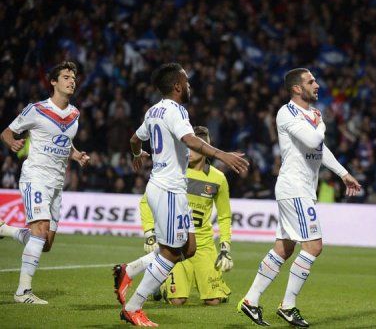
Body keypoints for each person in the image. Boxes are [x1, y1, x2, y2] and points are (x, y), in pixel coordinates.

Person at [113, 63, 248, 327]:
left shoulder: (153, 111)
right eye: (186, 81)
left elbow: (134, 139)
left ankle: (129, 271)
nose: (189, 86)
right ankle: (133, 307)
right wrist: (222, 155)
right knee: (172, 253)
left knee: (189, 247)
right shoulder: (176, 110)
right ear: (177, 86)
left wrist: (136, 154)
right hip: (169, 190)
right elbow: (190, 140)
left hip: (168, 188)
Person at [237, 68, 362, 327]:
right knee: (314, 246)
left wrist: (343, 173)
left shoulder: (311, 116)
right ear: (296, 88)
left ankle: (250, 300)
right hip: (295, 188)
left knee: (284, 247)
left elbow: (319, 146)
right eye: (311, 81)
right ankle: (288, 306)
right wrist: (320, 122)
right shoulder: (288, 112)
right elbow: (314, 137)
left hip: (300, 187)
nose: (317, 85)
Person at [0, 61, 90, 304]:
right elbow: (7, 132)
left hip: (56, 183)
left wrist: (76, 154)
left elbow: (64, 140)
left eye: (74, 77)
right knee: (39, 230)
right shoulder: (36, 109)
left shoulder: (74, 114)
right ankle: (23, 292)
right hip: (35, 176)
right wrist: (12, 143)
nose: (72, 81)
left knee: (45, 243)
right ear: (53, 82)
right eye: (66, 77)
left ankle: (4, 229)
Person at [141, 125, 233, 306]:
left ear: (206, 148)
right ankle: (160, 287)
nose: (189, 150)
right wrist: (149, 233)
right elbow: (146, 202)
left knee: (213, 301)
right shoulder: (173, 171)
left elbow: (224, 216)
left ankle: (219, 288)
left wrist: (225, 248)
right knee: (177, 300)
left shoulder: (218, 178)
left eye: (195, 146)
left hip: (204, 244)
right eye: (187, 145)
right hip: (176, 242)